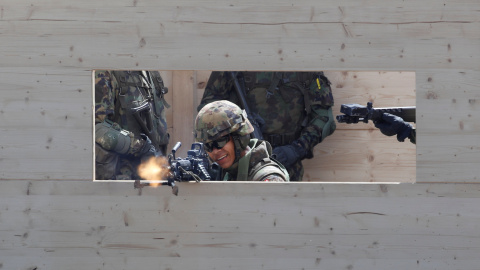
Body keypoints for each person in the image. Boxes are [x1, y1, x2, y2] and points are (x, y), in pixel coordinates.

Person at [197, 71, 336, 181]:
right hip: (239, 157)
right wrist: (238, 126)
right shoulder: (237, 59)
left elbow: (324, 119)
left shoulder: (305, 66)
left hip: (288, 159)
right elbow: (208, 112)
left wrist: (296, 149)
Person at [94, 70, 169, 180]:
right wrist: (140, 146)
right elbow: (96, 129)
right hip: (120, 179)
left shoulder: (151, 73)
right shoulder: (104, 73)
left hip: (153, 176)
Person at [194, 100, 289, 182]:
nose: (215, 151)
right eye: (208, 145)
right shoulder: (226, 174)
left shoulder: (267, 178)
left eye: (220, 142)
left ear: (239, 137)